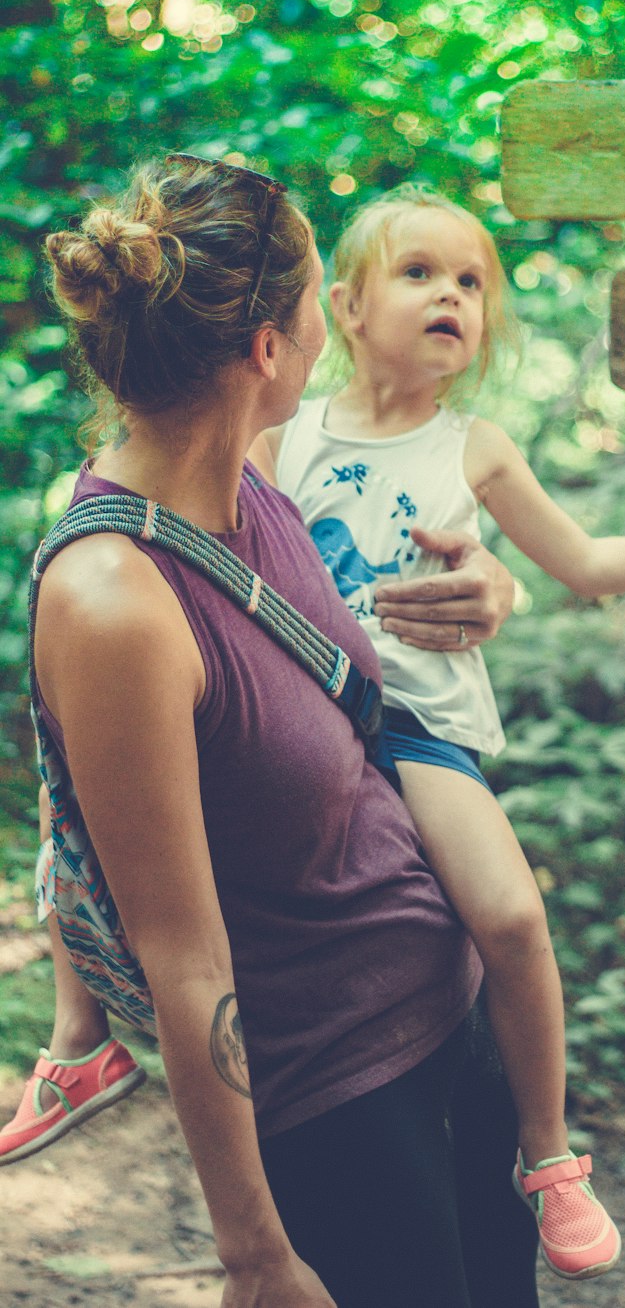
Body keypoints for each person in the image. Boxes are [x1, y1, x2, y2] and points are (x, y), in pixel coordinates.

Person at [247, 184, 625, 1277]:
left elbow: (586, 563)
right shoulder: (284, 439)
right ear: (346, 302)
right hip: (303, 723)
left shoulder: (473, 447)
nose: (451, 297)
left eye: (470, 283)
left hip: (417, 732)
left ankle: (548, 1156)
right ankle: (86, 1046)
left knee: (513, 917)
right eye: (420, 273)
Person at [16, 154, 542, 1308]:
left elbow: (340, 684)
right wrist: (254, 1253)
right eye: (316, 301)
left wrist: (492, 591)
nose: (327, 332)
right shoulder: (116, 601)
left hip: (447, 1027)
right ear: (269, 346)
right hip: (342, 1105)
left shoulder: (251, 491)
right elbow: (185, 957)